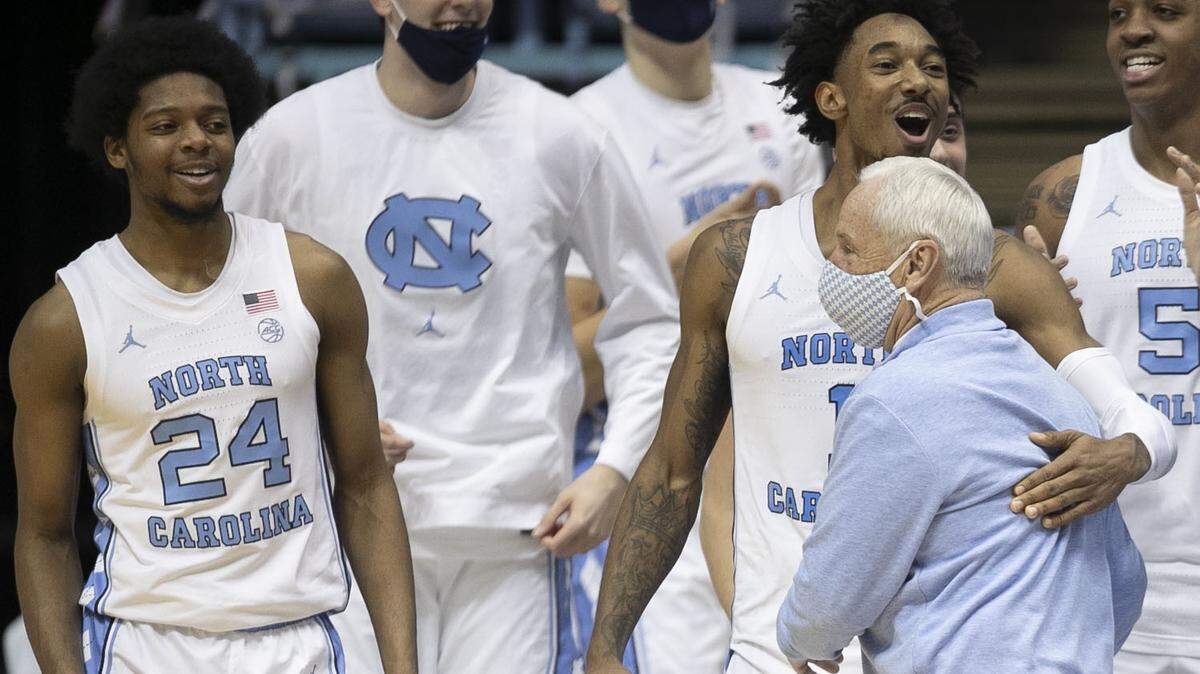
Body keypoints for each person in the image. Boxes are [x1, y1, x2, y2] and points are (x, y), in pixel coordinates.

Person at [585, 2, 1177, 673]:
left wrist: (1126, 453)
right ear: (831, 97)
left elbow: (1124, 413)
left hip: (934, 650)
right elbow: (672, 470)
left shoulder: (1000, 264)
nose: (918, 80)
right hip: (781, 649)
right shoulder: (734, 257)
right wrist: (607, 644)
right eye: (887, 64)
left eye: (933, 67)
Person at [223, 0, 680, 671]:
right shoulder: (293, 136)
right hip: (344, 520)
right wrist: (312, 417)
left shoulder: (560, 134)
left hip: (514, 528)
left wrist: (614, 471)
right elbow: (221, 315)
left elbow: (651, 320)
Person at [10, 17, 417, 673]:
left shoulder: (312, 278)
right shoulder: (64, 322)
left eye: (216, 123)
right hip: (148, 645)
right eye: (166, 126)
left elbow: (367, 485)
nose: (198, 141)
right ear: (118, 149)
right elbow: (44, 535)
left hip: (302, 640)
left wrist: (402, 665)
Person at [775, 156, 1147, 674]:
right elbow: (1124, 583)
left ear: (916, 264)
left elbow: (835, 591)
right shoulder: (1059, 393)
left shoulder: (898, 398)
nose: (833, 264)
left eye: (849, 248)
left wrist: (801, 638)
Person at [562, 0, 828, 669]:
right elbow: (567, 359)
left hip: (779, 460)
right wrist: (693, 265)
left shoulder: (781, 109)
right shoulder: (579, 130)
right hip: (659, 458)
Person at [1015, 1, 1199, 670]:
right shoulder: (1062, 196)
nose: (1133, 29)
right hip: (1111, 591)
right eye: (1118, 12)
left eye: (1167, 10)